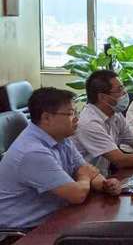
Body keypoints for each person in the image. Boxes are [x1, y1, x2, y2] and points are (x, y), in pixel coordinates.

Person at [0, 87, 122, 229]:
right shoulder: (32, 152)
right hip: (24, 232)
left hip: (57, 216)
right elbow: (77, 195)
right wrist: (85, 177)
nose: (77, 118)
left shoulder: (61, 138)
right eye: (70, 113)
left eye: (76, 112)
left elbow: (86, 169)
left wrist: (106, 185)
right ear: (46, 118)